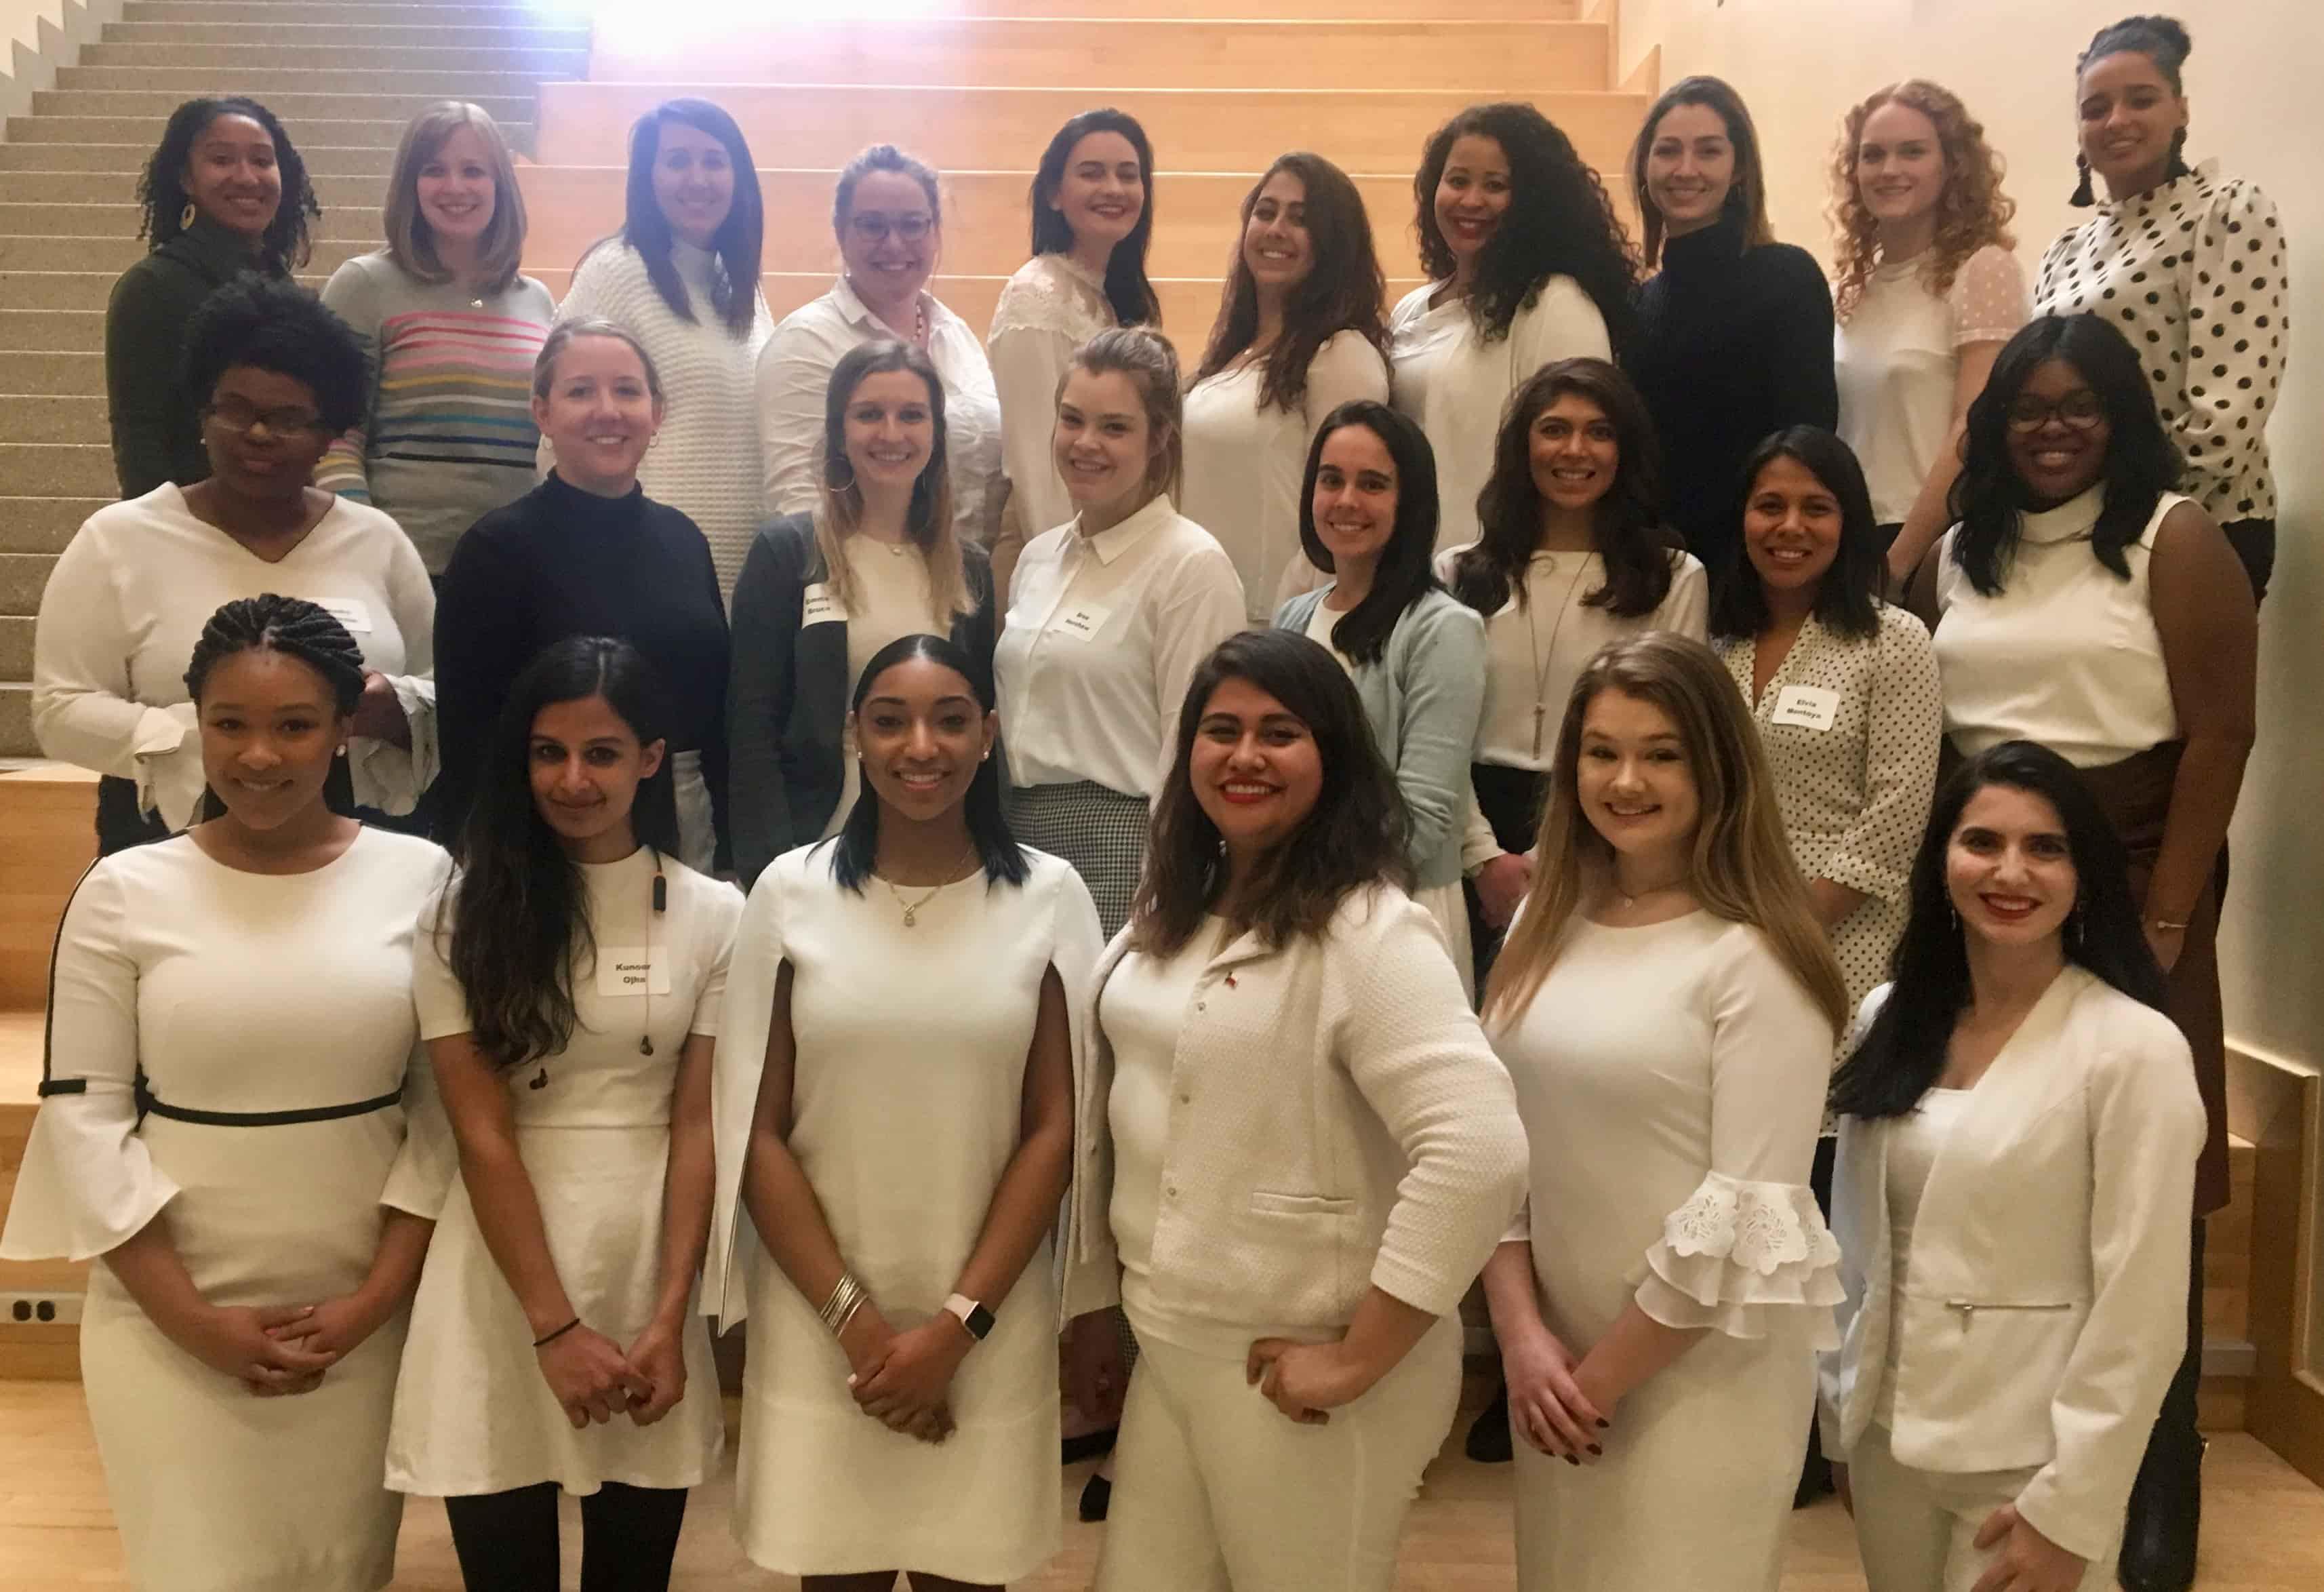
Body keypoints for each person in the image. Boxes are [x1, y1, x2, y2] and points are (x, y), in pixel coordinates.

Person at [1061, 629, 1528, 1592]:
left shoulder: (1370, 931)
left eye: (1280, 733)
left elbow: (1480, 1150)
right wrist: (1103, 1305)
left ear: (1334, 757)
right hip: (1175, 1340)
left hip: (1299, 1364)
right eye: (1221, 730)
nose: (1244, 756)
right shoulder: (1175, 905)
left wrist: (1362, 1358)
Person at [1906, 311, 2255, 1592]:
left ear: (2120, 416)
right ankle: (1999, 1457)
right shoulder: (1956, 549)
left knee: (2148, 1178)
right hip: (1988, 862)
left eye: (2076, 406)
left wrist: (2160, 918)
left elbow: (2220, 733)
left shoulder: (2175, 537)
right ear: (1989, 424)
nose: (2050, 429)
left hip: (2131, 862)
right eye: (2024, 408)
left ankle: (2157, 1486)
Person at [0, 594, 447, 1592]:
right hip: (168, 1323)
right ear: (194, 725)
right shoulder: (124, 889)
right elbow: (86, 1115)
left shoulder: (422, 877)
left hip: (360, 1324)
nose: (259, 756)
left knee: (340, 1574)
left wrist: (375, 1302)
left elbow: (445, 1114)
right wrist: (191, 1320)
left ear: (341, 733)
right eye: (230, 724)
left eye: (295, 725)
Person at [706, 633, 1104, 1588]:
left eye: (950, 719)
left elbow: (1060, 1130)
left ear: (989, 734)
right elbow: (752, 1129)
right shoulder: (790, 893)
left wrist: (954, 1330)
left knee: (966, 1571)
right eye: (890, 721)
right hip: (821, 1321)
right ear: (854, 736)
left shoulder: (1048, 897)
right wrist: (866, 1333)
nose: (920, 746)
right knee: (833, 1569)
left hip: (986, 1323)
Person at [1479, 631, 1849, 1592]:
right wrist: (1523, 1343)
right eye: (1602, 751)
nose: (1626, 780)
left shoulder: (1760, 956)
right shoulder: (1542, 922)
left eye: (1662, 753)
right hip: (1554, 1366)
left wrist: (1595, 1383)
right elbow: (1497, 1149)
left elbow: (1742, 1226)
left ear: (1718, 768)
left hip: (1696, 1382)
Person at [389, 637, 738, 1592]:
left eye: (603, 752)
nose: (573, 779)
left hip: (644, 1265)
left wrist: (673, 1318)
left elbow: (697, 1127)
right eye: (549, 752)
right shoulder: (457, 911)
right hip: (502, 1274)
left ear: (653, 759)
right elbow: (482, 1131)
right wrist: (553, 1328)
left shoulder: (716, 914)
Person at [1822, 740, 2204, 1592]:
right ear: (1941, 861)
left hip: (2028, 1459)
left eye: (2044, 847)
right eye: (1982, 842)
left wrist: (2073, 1505)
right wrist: (1837, 1422)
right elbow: (1852, 1244)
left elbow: (2142, 1305)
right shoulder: (1890, 1016)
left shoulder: (2132, 1049)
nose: (2010, 871)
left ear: (2084, 875)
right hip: (1886, 1438)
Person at [35, 275, 436, 856]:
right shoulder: (119, 541)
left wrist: (392, 707)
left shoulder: (377, 540)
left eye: (288, 418)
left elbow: (440, 688)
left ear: (328, 437)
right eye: (236, 410)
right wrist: (202, 735)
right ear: (202, 413)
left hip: (361, 842)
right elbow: (58, 709)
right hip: (168, 839)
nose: (257, 434)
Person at [1441, 358, 1707, 989]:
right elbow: (1435, 734)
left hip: (1606, 826)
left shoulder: (1674, 577)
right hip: (1468, 830)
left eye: (1599, 432)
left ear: (1626, 451)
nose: (1575, 450)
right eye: (1554, 429)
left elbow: (1673, 738)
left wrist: (1551, 861)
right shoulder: (1454, 573)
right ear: (1522, 446)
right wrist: (1483, 859)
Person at [433, 321, 729, 873]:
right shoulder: (494, 549)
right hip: (543, 833)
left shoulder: (684, 539)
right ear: (542, 413)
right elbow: (469, 740)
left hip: (685, 830)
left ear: (656, 411)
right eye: (580, 391)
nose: (607, 410)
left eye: (626, 390)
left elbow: (715, 718)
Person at [993, 327, 1244, 940]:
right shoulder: (1039, 558)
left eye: (1114, 427)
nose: (1086, 444)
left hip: (1124, 853)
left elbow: (1192, 751)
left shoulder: (1191, 566)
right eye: (1071, 420)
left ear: (1160, 438)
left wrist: (1169, 885)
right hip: (1015, 842)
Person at [2035, 14, 2287, 605]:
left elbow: (2228, 414)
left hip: (2200, 524)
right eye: (2095, 108)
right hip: (2081, 528)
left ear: (2182, 110)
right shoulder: (2064, 250)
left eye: (2140, 100)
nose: (2116, 121)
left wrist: (2129, 515)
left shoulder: (2226, 210)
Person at [729, 340, 998, 885]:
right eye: (869, 414)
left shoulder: (968, 567)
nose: (891, 434)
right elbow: (751, 725)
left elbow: (982, 726)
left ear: (936, 434)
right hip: (811, 847)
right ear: (839, 431)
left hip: (937, 845)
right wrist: (768, 870)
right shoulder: (789, 554)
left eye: (912, 415)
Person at [1712, 427, 1942, 1015]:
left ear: (1850, 523)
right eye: (1770, 506)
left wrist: (1796, 925)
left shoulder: (1894, 641)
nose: (1790, 527)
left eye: (1816, 508)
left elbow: (1898, 811)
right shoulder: (1717, 644)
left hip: (1845, 925)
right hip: (1719, 913)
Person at [1273, 401, 1485, 995]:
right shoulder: (1293, 617)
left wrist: (1309, 880)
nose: (1346, 500)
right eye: (1331, 479)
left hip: (1396, 912)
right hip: (1291, 903)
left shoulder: (1444, 629)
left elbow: (1424, 819)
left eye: (1373, 484)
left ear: (1409, 503)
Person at [315, 102, 556, 578]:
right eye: (434, 170)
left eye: (474, 171)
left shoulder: (539, 302)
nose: (455, 187)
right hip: (402, 568)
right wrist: (369, 543)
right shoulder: (363, 286)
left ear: (500, 186)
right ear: (411, 185)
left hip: (518, 568)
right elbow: (331, 436)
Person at [1391, 102, 1637, 555]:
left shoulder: (1554, 305)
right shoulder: (1409, 309)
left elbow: (1577, 467)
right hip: (1408, 574)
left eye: (1496, 185)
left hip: (1501, 575)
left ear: (1532, 201)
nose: (1471, 201)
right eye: (1458, 180)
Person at [553, 98, 772, 601]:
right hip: (640, 567)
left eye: (715, 161)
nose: (698, 178)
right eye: (677, 161)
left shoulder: (742, 288)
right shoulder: (615, 271)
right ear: (647, 178)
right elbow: (558, 431)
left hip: (741, 568)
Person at [1628, 77, 1839, 580]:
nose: (1686, 170)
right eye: (1668, 151)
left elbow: (1807, 436)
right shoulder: (1638, 302)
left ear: (1739, 167)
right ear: (1645, 167)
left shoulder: (1787, 277)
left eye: (1708, 151)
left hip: (1755, 566)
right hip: (1658, 567)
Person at [757, 144, 1005, 554]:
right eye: (872, 226)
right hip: (860, 585)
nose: (894, 244)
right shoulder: (804, 343)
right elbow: (799, 502)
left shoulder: (956, 334)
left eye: (912, 225)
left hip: (969, 585)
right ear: (841, 232)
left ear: (935, 230)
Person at [1828, 81, 2028, 584]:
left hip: (1933, 540)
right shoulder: (1853, 288)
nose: (1890, 169)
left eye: (1912, 152)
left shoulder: (1983, 270)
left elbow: (1973, 425)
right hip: (1846, 534)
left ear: (1952, 165)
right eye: (1872, 155)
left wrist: (1899, 562)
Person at [1183, 152, 1391, 620]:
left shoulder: (1341, 356)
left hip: (1272, 621)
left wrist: (1295, 623)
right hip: (1198, 608)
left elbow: (1344, 516)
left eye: (1300, 219)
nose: (1276, 229)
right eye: (1265, 211)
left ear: (1333, 243)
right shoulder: (1231, 355)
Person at [986, 108, 1159, 602]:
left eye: (1129, 175)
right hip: (1054, 562)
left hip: (1111, 550)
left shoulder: (1113, 296)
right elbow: (1041, 465)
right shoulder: (1035, 297)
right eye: (1091, 173)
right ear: (1054, 194)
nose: (1113, 188)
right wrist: (1084, 581)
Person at [106, 96, 317, 500]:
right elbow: (141, 443)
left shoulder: (284, 289)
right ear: (186, 178)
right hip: (192, 530)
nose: (247, 177)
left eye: (262, 160)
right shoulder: (151, 287)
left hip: (277, 525)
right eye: (222, 160)